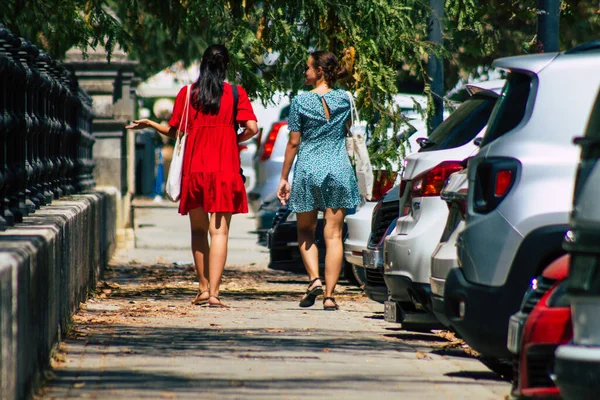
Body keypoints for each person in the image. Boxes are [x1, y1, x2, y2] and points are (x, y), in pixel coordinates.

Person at [126, 45, 258, 308]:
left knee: (198, 230)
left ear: (202, 64)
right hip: (225, 169)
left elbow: (176, 131)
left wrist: (151, 123)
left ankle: (202, 288)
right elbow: (252, 128)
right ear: (226, 66)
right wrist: (233, 137)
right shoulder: (235, 93)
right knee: (219, 233)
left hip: (195, 169)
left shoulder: (187, 94)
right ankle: (215, 294)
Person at [277, 51, 361, 311]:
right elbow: (346, 130)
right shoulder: (345, 99)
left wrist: (283, 177)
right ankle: (329, 296)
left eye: (308, 68)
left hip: (308, 170)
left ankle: (314, 279)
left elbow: (293, 142)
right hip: (338, 168)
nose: (305, 72)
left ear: (320, 72)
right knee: (334, 235)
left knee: (305, 230)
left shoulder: (300, 102)